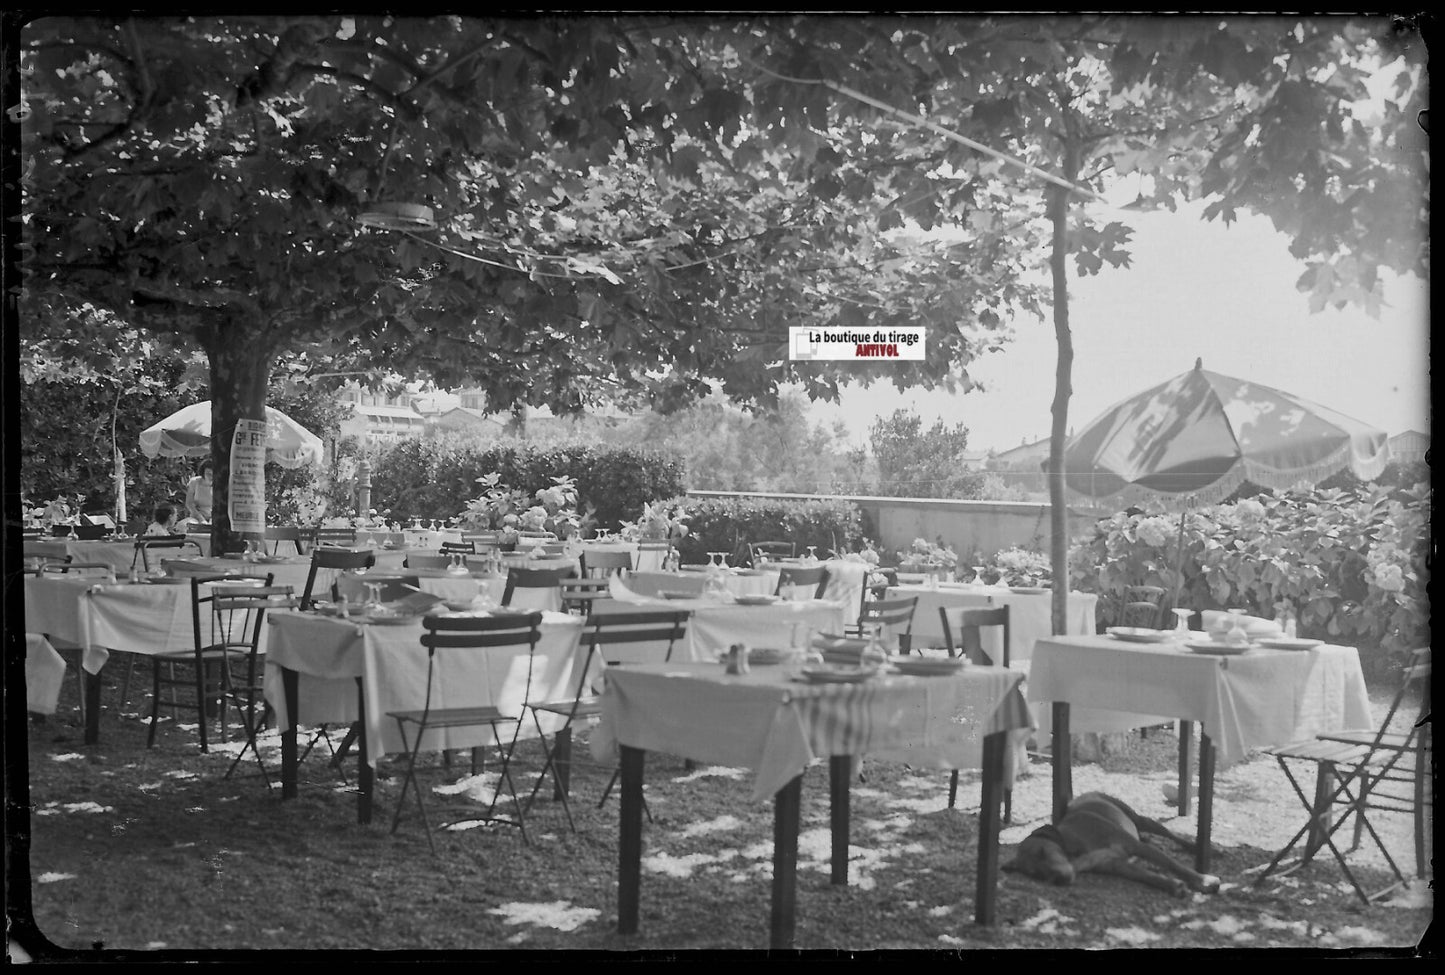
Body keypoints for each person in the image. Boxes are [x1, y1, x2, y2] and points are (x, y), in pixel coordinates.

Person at [185, 460, 213, 524]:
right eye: (209, 474)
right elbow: (189, 503)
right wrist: (201, 519)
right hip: (196, 517)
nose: (211, 477)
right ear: (203, 473)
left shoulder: (220, 485)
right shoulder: (194, 482)